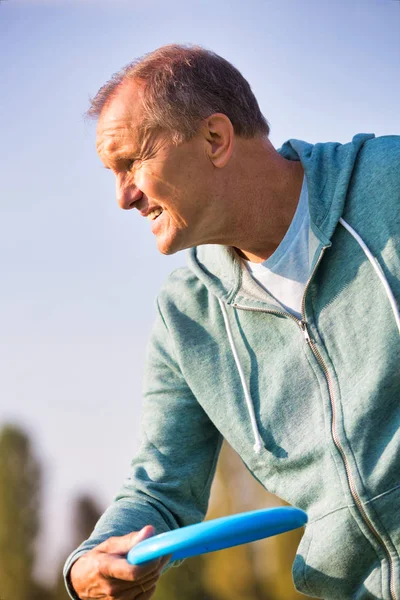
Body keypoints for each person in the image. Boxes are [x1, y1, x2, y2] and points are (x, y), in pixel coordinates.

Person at [63, 44, 400, 600]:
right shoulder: (186, 315)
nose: (123, 197)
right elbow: (163, 485)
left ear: (215, 139)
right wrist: (89, 564)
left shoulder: (387, 185)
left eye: (131, 163)